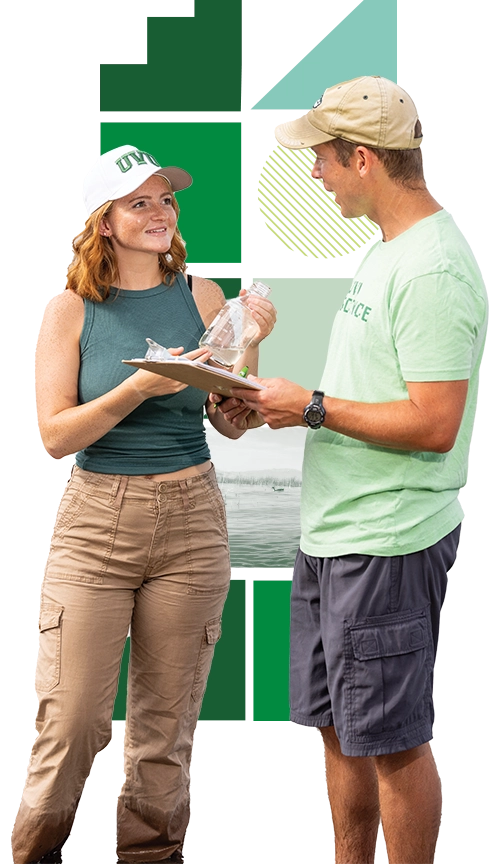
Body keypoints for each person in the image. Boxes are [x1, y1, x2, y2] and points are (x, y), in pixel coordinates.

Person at [212, 77, 487, 864]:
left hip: (387, 542)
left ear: (362, 158)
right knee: (339, 727)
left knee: (396, 743)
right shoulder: (386, 252)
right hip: (335, 535)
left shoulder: (432, 269)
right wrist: (267, 395)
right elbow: (365, 392)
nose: (316, 174)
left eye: (323, 160)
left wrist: (311, 408)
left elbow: (436, 425)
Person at [11, 144, 276, 864]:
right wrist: (138, 386)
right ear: (104, 223)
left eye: (166, 200)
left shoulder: (203, 299)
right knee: (72, 723)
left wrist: (244, 364)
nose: (160, 214)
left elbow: (224, 418)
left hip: (192, 519)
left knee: (165, 730)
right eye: (139, 203)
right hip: (96, 523)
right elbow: (57, 438)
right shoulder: (71, 309)